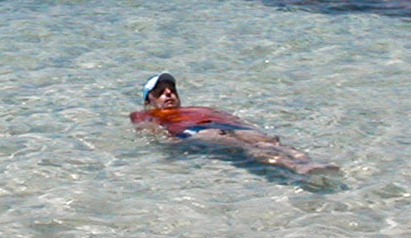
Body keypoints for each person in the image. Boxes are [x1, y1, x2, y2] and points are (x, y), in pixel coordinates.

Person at [131, 73, 338, 178]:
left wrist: (252, 130)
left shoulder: (197, 108)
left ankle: (310, 162)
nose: (168, 94)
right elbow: (148, 132)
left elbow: (232, 117)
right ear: (149, 100)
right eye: (160, 91)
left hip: (225, 125)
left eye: (171, 90)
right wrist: (169, 145)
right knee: (243, 146)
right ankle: (295, 168)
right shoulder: (143, 114)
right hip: (197, 132)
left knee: (269, 141)